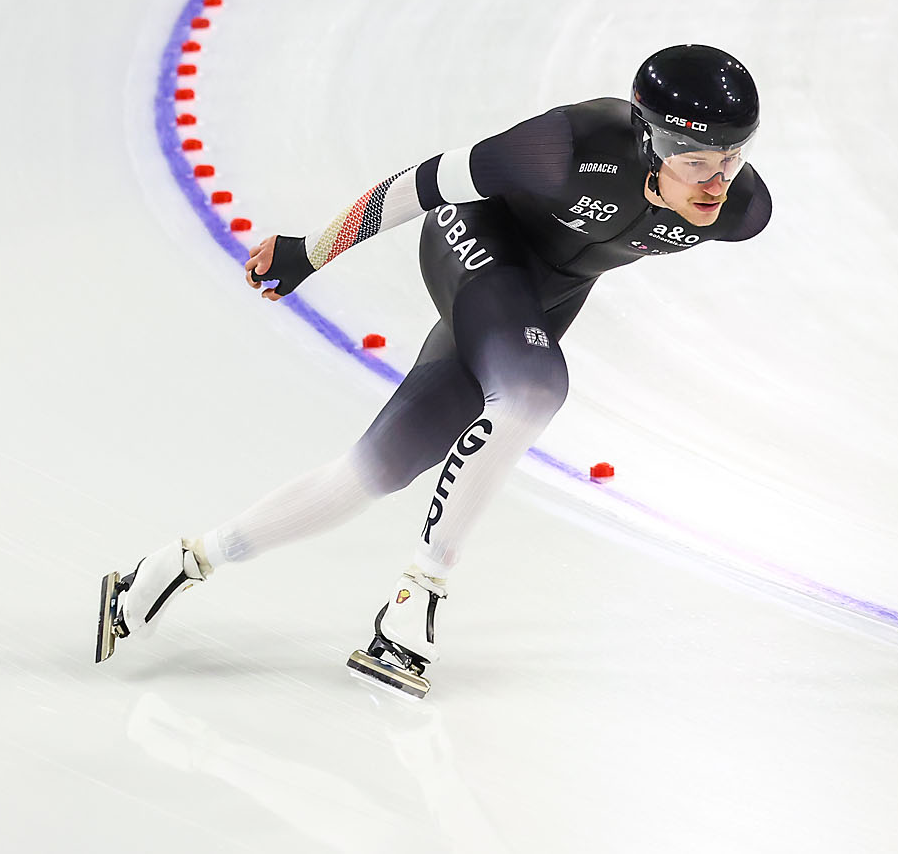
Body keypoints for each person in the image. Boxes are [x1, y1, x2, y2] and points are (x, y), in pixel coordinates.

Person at [95, 44, 773, 697]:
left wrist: (712, 172)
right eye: (696, 161)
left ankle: (178, 565)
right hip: (473, 240)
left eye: (732, 157)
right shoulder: (567, 147)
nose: (717, 182)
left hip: (538, 301)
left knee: (375, 471)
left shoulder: (740, 210)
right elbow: (419, 186)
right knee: (533, 390)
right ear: (649, 141)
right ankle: (419, 594)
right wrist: (309, 251)